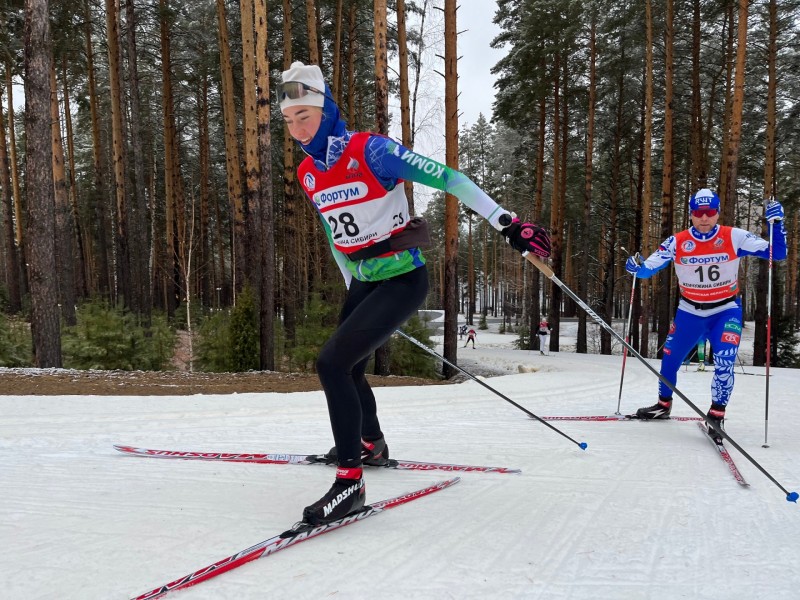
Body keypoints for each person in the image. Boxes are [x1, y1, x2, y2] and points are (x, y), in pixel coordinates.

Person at [278, 61, 551, 525]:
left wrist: (505, 222)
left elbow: (450, 178)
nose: (297, 129)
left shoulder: (373, 151)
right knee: (352, 366)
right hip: (365, 278)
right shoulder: (309, 172)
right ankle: (370, 444)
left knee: (331, 365)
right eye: (288, 121)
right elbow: (334, 233)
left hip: (403, 277)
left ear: (325, 113)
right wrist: (352, 281)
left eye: (304, 116)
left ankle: (350, 485)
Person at [625, 188, 786, 442]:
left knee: (724, 361)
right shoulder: (677, 241)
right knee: (670, 359)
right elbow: (647, 270)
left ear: (717, 212)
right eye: (698, 213)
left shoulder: (734, 236)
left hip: (726, 311)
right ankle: (663, 405)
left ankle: (716, 415)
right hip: (689, 311)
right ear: (690, 214)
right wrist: (636, 267)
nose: (704, 218)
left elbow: (776, 253)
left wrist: (777, 226)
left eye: (710, 212)